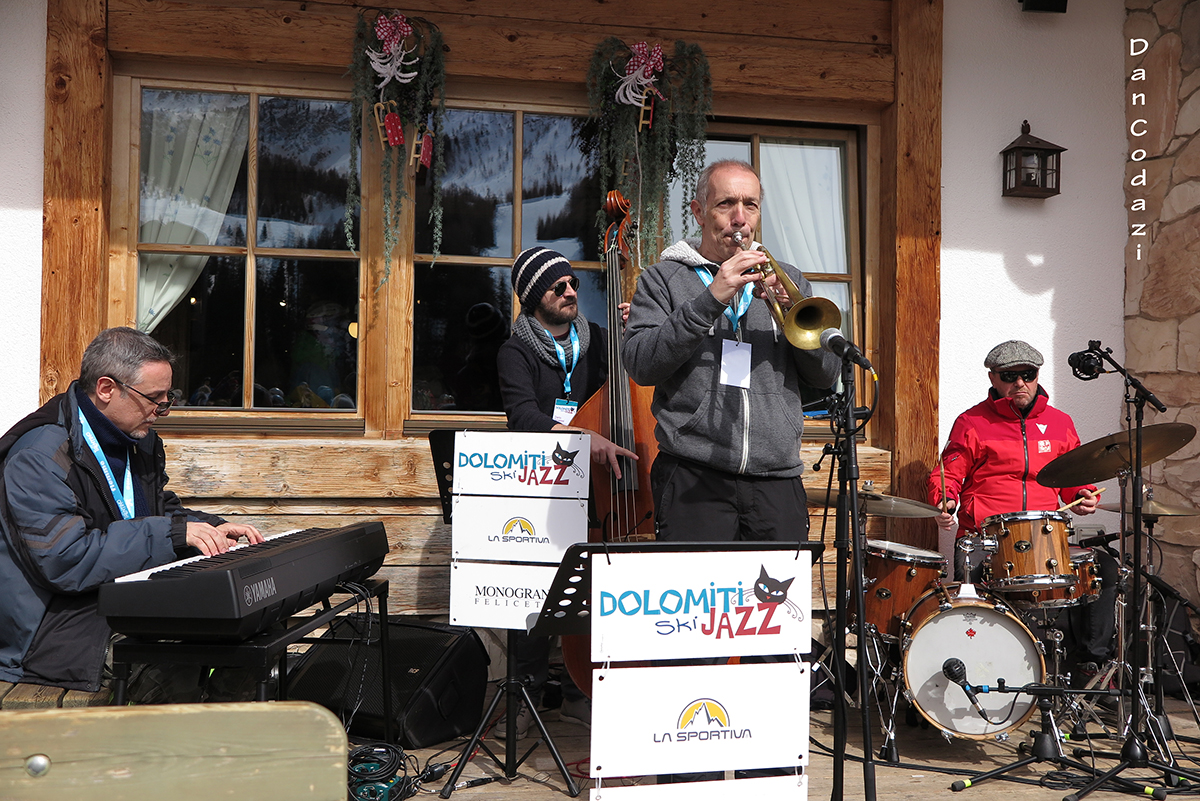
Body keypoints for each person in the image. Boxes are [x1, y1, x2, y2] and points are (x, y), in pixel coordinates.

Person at [0, 327, 263, 693]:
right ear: (106, 389)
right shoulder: (38, 457)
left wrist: (210, 527)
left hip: (113, 601)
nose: (163, 410)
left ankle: (230, 744)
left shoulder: (135, 438)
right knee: (184, 642)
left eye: (168, 397)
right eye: (154, 398)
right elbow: (66, 559)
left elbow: (157, 509)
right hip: (49, 630)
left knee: (251, 623)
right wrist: (171, 534)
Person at [621, 159, 840, 544]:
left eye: (750, 205)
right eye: (726, 204)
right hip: (694, 476)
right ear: (698, 211)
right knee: (695, 603)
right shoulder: (662, 279)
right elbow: (641, 364)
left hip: (776, 479)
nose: (740, 218)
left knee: (775, 603)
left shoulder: (788, 278)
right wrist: (710, 300)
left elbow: (824, 376)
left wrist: (791, 310)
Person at [496, 246, 637, 739]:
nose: (571, 292)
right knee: (536, 591)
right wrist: (581, 437)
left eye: (574, 284)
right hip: (544, 488)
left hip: (602, 492)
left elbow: (629, 388)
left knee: (595, 591)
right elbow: (524, 419)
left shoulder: (598, 340)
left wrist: (630, 334)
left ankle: (583, 693)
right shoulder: (516, 352)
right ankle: (529, 694)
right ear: (535, 298)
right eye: (559, 288)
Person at [928, 339, 1115, 673]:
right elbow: (948, 472)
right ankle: (976, 670)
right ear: (993, 378)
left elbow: (1073, 477)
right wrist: (946, 499)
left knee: (1105, 568)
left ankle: (1090, 663)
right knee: (971, 605)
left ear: (1037, 375)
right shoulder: (972, 422)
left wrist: (1084, 495)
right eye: (1009, 375)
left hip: (1046, 539)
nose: (1020, 383)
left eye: (1027, 374)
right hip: (985, 539)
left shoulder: (1060, 423)